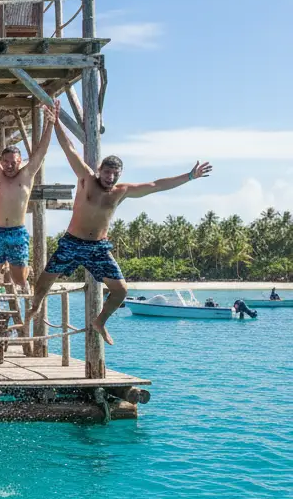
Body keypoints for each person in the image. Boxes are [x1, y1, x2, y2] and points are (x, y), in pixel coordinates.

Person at [24, 120, 212, 345]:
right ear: (100, 170)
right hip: (72, 243)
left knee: (121, 291)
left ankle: (100, 321)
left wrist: (189, 176)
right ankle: (34, 307)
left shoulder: (122, 191)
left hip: (98, 248)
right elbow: (69, 149)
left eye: (115, 174)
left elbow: (156, 185)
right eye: (107, 172)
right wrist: (55, 123)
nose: (110, 177)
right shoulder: (86, 179)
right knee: (45, 280)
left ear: (119, 174)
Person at [0, 103, 59, 292]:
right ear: (2, 161)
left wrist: (51, 123)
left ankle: (23, 275)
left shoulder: (26, 175)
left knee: (19, 280)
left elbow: (41, 151)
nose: (10, 166)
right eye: (7, 162)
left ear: (21, 162)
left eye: (14, 163)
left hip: (17, 233)